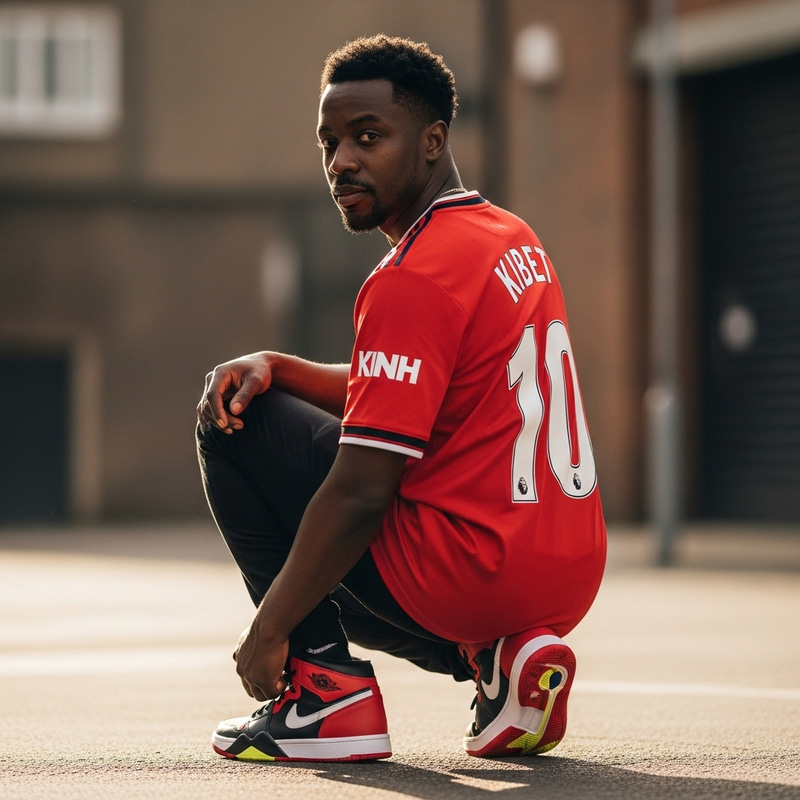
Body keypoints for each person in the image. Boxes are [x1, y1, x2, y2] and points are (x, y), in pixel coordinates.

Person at [196, 34, 606, 763]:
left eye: (367, 136)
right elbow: (408, 389)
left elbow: (357, 493)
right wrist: (282, 366)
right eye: (329, 143)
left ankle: (325, 694)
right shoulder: (511, 238)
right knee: (278, 402)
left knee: (237, 424)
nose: (341, 161)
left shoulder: (412, 275)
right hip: (565, 572)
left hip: (471, 574)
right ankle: (500, 663)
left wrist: (270, 631)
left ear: (432, 142)